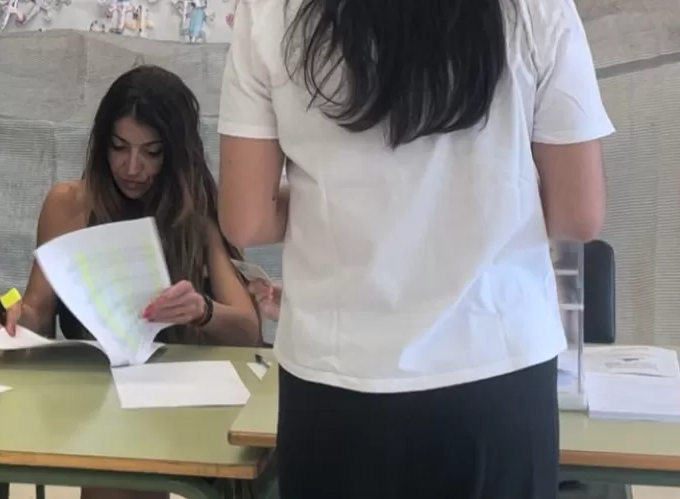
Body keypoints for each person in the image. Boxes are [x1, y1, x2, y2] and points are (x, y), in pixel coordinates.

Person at [216, 0, 612, 496]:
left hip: (337, 380)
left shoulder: (271, 12)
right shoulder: (537, 9)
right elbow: (579, 213)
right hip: (499, 370)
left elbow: (246, 220)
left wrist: (337, 201)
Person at [0, 65, 262, 499]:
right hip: (91, 400)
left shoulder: (194, 211)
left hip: (177, 403)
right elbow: (35, 309)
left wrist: (202, 309)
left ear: (176, 154)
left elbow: (248, 330)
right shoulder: (68, 205)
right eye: (119, 147)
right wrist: (10, 308)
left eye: (152, 152)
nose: (132, 167)